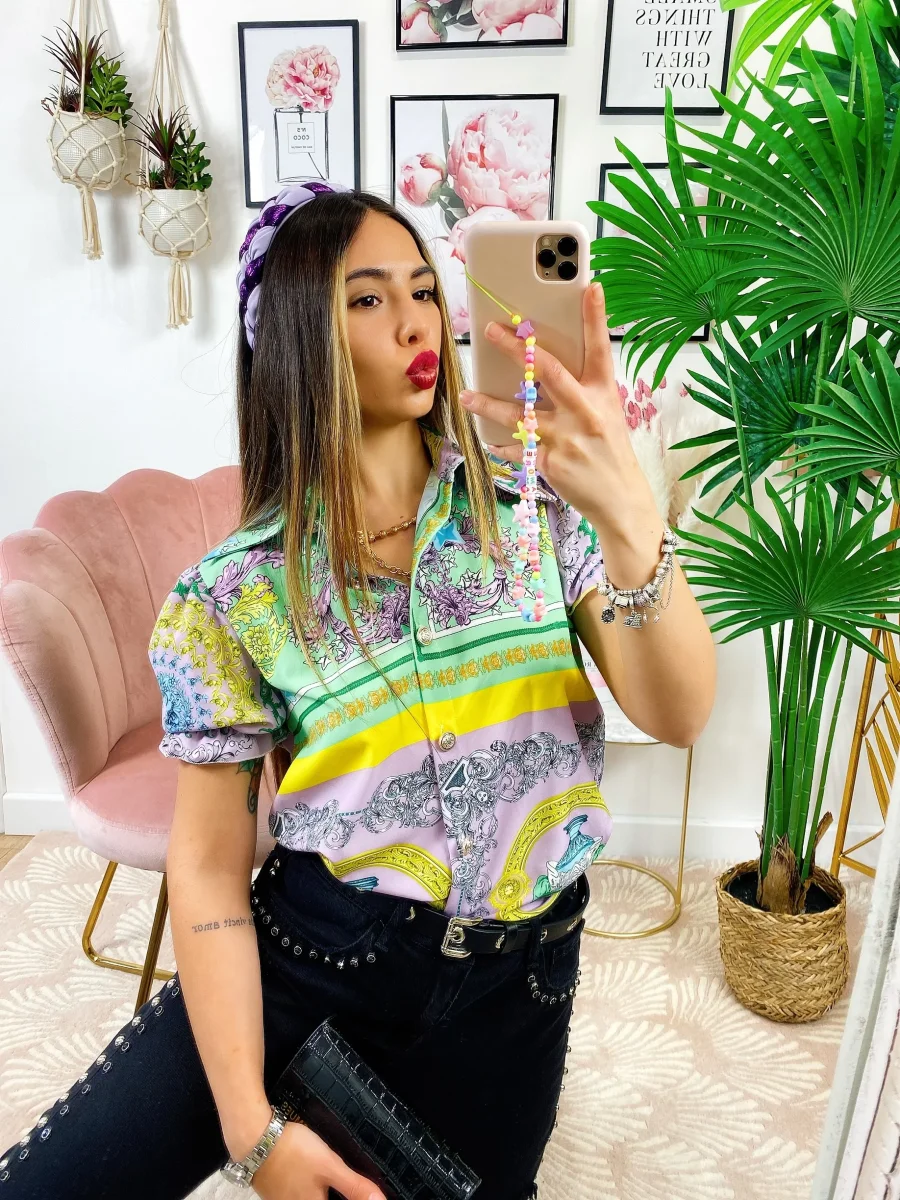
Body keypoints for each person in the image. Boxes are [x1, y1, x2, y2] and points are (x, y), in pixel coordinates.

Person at [0, 182, 715, 1200]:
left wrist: (630, 513)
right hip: (320, 954)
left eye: (424, 290)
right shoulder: (233, 596)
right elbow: (206, 870)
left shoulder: (537, 513)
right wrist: (251, 1132)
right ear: (296, 337)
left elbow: (681, 714)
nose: (417, 322)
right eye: (369, 298)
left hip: (519, 988)